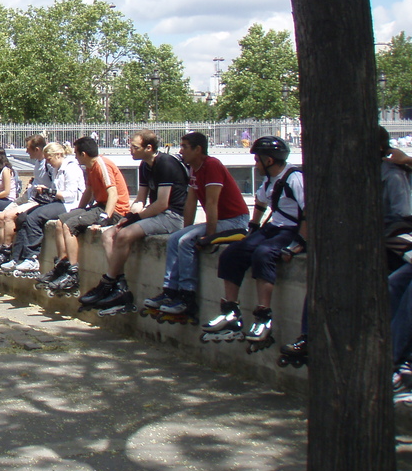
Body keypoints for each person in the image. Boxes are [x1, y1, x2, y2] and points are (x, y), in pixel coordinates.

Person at [125, 131, 250, 318]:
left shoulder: (212, 165)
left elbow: (212, 203)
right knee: (176, 238)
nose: (180, 151)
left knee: (186, 241)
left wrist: (210, 236)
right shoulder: (193, 168)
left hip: (234, 220)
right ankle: (170, 291)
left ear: (198, 149)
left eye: (184, 147)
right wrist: (186, 228)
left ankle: (187, 296)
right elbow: (190, 203)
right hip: (221, 220)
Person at [201, 135, 305, 349]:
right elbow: (260, 203)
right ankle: (231, 312)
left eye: (257, 159)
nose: (254, 164)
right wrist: (253, 229)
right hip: (273, 227)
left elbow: (308, 212)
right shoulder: (269, 180)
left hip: (291, 230)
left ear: (269, 161)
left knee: (264, 253)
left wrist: (299, 244)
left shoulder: (295, 178)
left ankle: (263, 316)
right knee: (232, 253)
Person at [101, 130, 189, 306]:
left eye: (134, 147)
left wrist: (136, 219)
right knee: (108, 234)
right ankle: (120, 285)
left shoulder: (165, 163)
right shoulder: (144, 165)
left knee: (124, 235)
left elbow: (163, 203)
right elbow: (141, 199)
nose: (130, 150)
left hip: (172, 216)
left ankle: (108, 283)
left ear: (149, 148)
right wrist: (130, 216)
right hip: (156, 213)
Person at [56, 136, 130, 299]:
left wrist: (105, 218)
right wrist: (79, 210)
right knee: (61, 221)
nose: (75, 157)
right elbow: (89, 191)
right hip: (100, 205)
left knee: (69, 225)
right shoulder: (89, 167)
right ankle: (62, 264)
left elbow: (113, 194)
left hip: (115, 210)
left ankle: (73, 272)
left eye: (76, 153)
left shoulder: (102, 165)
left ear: (84, 154)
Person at [0, 142, 85, 280]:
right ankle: (18, 257)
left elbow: (70, 195)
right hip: (59, 202)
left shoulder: (71, 169)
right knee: (24, 217)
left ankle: (32, 257)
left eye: (49, 158)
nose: (48, 162)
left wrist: (48, 191)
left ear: (58, 155)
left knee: (35, 217)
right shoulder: (58, 169)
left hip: (70, 205)